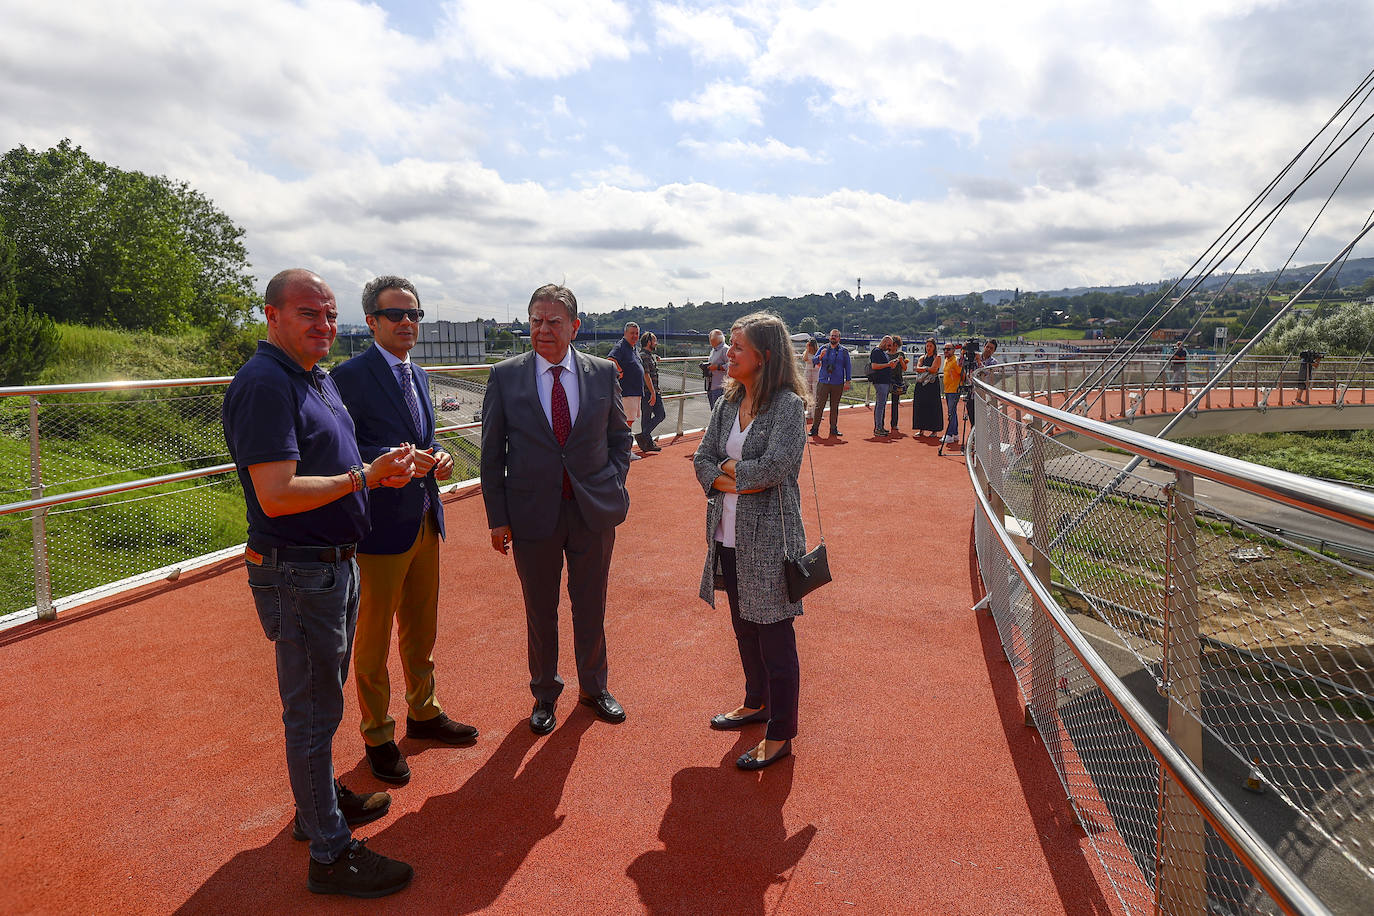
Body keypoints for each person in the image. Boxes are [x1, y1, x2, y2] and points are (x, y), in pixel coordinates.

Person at [222, 268, 416, 898]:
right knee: (310, 712)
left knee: (322, 698)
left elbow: (330, 463)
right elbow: (275, 495)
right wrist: (364, 479)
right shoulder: (264, 385)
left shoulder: (313, 376)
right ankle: (330, 854)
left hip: (332, 564)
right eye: (309, 313)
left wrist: (377, 474)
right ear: (272, 316)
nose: (324, 326)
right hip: (298, 570)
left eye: (331, 315)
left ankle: (319, 807)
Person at [331, 275, 477, 788]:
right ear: (371, 321)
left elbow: (423, 437)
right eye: (396, 315)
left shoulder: (417, 374)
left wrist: (437, 457)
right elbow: (340, 451)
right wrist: (384, 461)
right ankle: (377, 735)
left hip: (423, 517)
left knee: (421, 628)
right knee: (370, 641)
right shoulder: (347, 376)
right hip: (378, 526)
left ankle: (424, 712)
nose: (408, 323)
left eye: (414, 314)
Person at [481, 284, 633, 736]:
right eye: (535, 321)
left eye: (553, 322)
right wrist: (498, 517)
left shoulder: (604, 372)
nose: (543, 330)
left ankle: (594, 687)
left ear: (575, 327)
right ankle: (545, 694)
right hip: (532, 515)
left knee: (591, 605)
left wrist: (612, 482)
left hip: (592, 512)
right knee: (540, 611)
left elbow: (620, 439)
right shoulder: (506, 376)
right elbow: (492, 455)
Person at [692, 312, 808, 771]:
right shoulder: (727, 402)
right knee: (744, 628)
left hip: (770, 542)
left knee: (775, 636)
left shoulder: (787, 407)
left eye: (738, 348)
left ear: (764, 356)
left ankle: (781, 733)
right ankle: (756, 702)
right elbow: (702, 458)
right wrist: (730, 478)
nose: (728, 354)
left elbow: (775, 469)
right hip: (727, 533)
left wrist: (729, 472)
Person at [608, 322, 647, 461]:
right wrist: (620, 371)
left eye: (637, 333)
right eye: (632, 333)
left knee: (629, 422)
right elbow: (610, 359)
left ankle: (624, 450)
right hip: (627, 392)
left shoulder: (633, 348)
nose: (635, 336)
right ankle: (625, 452)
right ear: (625, 333)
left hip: (634, 392)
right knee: (626, 424)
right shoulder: (621, 346)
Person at [808, 329, 852, 438]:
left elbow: (848, 367)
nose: (833, 337)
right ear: (829, 337)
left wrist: (848, 381)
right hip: (823, 381)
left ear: (839, 338)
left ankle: (833, 428)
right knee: (819, 406)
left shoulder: (844, 351)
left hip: (837, 382)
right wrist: (820, 357)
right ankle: (815, 429)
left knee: (834, 406)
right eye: (832, 335)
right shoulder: (823, 348)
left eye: (836, 336)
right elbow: (814, 360)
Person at [637, 331, 665, 452]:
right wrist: (653, 393)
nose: (656, 343)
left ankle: (645, 441)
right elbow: (646, 375)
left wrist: (655, 357)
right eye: (654, 340)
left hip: (651, 391)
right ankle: (644, 437)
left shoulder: (648, 355)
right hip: (649, 392)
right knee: (660, 415)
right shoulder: (643, 356)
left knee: (647, 417)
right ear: (649, 342)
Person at [911, 338, 943, 436]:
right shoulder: (922, 357)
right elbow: (916, 368)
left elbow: (934, 369)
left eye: (931, 346)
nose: (928, 348)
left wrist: (924, 369)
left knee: (933, 406)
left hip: (932, 385)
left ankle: (934, 430)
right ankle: (921, 429)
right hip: (921, 385)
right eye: (927, 346)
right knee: (920, 405)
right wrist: (926, 369)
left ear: (934, 347)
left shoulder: (937, 357)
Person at [868, 335, 898, 437]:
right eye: (889, 345)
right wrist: (888, 365)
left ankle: (880, 426)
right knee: (880, 405)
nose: (889, 347)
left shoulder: (883, 353)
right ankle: (878, 428)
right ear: (884, 342)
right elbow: (874, 366)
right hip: (880, 382)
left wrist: (891, 365)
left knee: (882, 405)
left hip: (885, 381)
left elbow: (885, 366)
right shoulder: (876, 352)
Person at [886, 335, 909, 433]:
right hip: (887, 379)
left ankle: (894, 424)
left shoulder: (901, 354)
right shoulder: (885, 354)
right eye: (892, 345)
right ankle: (880, 424)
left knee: (895, 403)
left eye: (896, 345)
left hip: (898, 379)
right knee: (883, 401)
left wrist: (900, 360)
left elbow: (905, 368)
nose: (894, 347)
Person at [941, 343, 963, 444]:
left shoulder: (955, 361)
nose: (946, 351)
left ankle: (949, 434)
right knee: (952, 413)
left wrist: (960, 385)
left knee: (951, 413)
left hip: (954, 390)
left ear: (953, 350)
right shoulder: (946, 360)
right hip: (948, 390)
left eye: (948, 349)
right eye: (944, 349)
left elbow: (961, 373)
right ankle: (955, 434)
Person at [706, 329, 729, 408]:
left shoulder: (725, 349)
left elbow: (732, 365)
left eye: (711, 340)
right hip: (711, 386)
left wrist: (718, 367)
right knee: (713, 411)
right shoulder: (714, 350)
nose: (710, 341)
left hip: (720, 387)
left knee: (718, 411)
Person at [801, 338, 819, 411]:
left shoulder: (818, 352)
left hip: (816, 372)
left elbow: (819, 361)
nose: (810, 346)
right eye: (809, 345)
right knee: (808, 392)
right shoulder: (806, 352)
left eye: (811, 345)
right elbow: (805, 359)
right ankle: (809, 412)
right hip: (808, 372)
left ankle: (815, 413)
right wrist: (807, 349)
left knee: (815, 393)